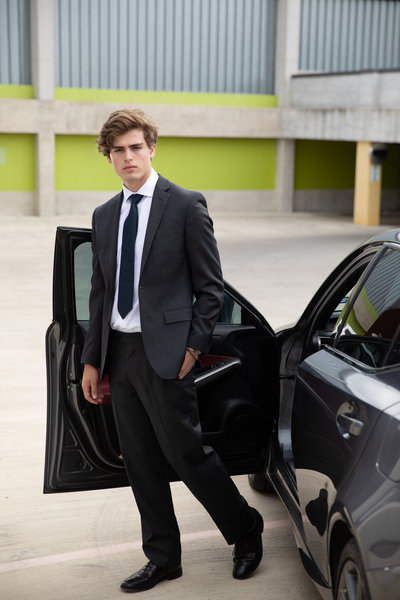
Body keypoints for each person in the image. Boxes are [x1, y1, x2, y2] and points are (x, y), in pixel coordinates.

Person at [81, 108, 263, 593]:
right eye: (117, 150)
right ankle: (163, 558)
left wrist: (192, 348)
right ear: (109, 157)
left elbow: (210, 288)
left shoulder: (184, 205)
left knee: (187, 455)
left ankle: (245, 530)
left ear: (152, 147)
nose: (127, 157)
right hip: (120, 355)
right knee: (139, 461)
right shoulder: (103, 216)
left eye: (135, 147)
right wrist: (92, 360)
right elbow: (100, 294)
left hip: (168, 354)